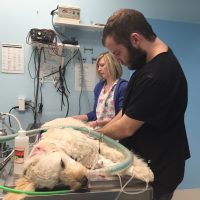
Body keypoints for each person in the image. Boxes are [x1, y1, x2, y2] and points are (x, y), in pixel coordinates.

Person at [97, 9, 190, 200]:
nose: (118, 61)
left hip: (159, 170)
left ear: (135, 39)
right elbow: (126, 112)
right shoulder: (146, 66)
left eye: (118, 53)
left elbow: (126, 128)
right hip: (148, 163)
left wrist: (90, 139)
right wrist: (102, 129)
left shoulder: (158, 74)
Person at [73, 51, 128, 128]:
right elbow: (95, 114)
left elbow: (122, 116)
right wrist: (76, 118)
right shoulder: (98, 87)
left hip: (114, 132)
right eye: (98, 66)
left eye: (102, 65)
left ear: (112, 65)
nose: (99, 69)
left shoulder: (123, 87)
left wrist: (97, 123)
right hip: (99, 131)